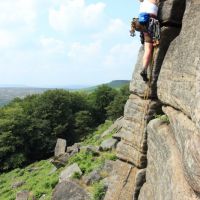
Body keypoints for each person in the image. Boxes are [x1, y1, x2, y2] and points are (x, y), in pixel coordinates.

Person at [138, 0, 159, 82]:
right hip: (150, 21)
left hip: (141, 21)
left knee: (147, 49)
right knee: (149, 49)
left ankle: (144, 69)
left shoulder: (142, 1)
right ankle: (144, 70)